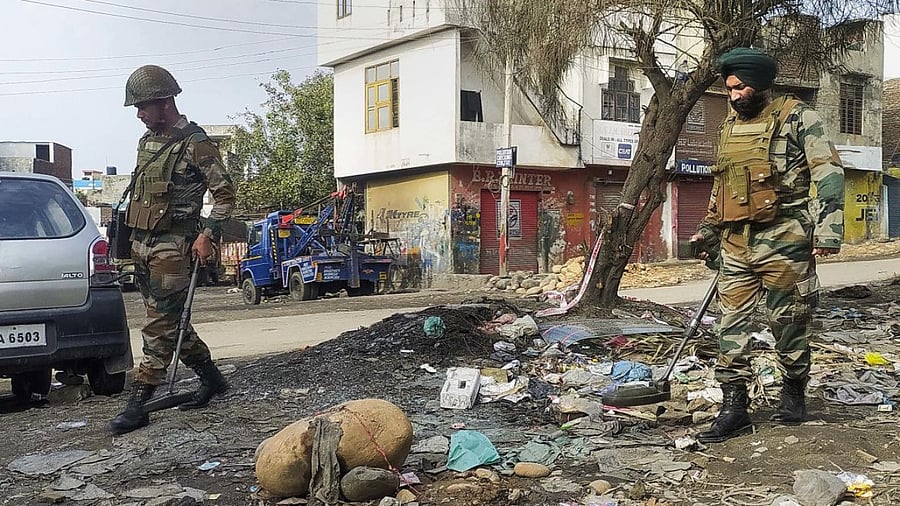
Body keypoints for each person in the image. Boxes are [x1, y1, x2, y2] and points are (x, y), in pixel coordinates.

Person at [690, 48, 844, 443]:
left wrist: (828, 232)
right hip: (736, 243)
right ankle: (734, 408)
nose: (733, 95)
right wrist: (708, 229)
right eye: (729, 89)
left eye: (740, 88)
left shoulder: (798, 116)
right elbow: (723, 184)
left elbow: (828, 173)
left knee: (788, 322)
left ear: (760, 85)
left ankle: (793, 391)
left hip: (785, 239)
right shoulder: (728, 125)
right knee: (729, 325)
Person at [109, 65, 236, 435]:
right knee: (172, 320)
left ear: (164, 102)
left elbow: (225, 197)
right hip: (141, 243)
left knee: (159, 323)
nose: (138, 114)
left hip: (174, 249)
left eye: (142, 106)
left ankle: (139, 401)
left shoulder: (197, 143)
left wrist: (208, 233)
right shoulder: (146, 141)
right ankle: (212, 379)